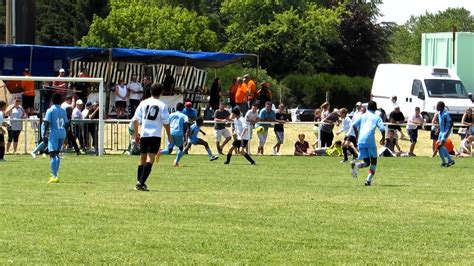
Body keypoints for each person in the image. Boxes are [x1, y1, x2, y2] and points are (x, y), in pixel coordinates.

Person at [132, 83, 171, 191]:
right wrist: (169, 136)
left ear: (150, 91)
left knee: (142, 158)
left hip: (144, 134)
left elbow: (135, 120)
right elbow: (166, 122)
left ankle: (139, 182)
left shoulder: (143, 103)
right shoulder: (162, 105)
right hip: (155, 135)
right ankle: (140, 182)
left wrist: (136, 134)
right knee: (150, 158)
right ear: (161, 92)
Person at [350, 101, 386, 186]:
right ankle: (368, 180)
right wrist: (383, 138)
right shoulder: (377, 117)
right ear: (375, 108)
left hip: (361, 140)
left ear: (367, 108)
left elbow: (354, 125)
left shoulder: (362, 116)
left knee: (367, 163)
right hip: (370, 140)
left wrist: (357, 136)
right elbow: (382, 129)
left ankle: (356, 165)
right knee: (374, 162)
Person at [43, 93, 68, 183]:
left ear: (52, 100)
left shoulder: (50, 110)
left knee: (52, 154)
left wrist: (45, 135)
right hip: (62, 132)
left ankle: (54, 175)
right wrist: (67, 134)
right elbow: (66, 123)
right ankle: (56, 173)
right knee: (57, 153)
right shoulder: (63, 110)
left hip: (54, 133)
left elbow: (46, 123)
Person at [158, 102, 188, 167]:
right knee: (180, 148)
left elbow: (166, 122)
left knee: (169, 149)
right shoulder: (184, 115)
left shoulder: (171, 114)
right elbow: (186, 122)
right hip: (179, 133)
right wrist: (186, 130)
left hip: (170, 132)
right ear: (183, 109)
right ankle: (176, 162)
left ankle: (159, 152)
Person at [434, 101, 455, 167]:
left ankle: (449, 160)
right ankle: (445, 161)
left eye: (438, 106)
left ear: (441, 107)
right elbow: (441, 124)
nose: (436, 107)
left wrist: (447, 133)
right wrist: (438, 130)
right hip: (441, 133)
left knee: (440, 146)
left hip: (445, 133)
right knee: (440, 147)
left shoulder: (446, 114)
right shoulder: (439, 114)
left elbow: (451, 124)